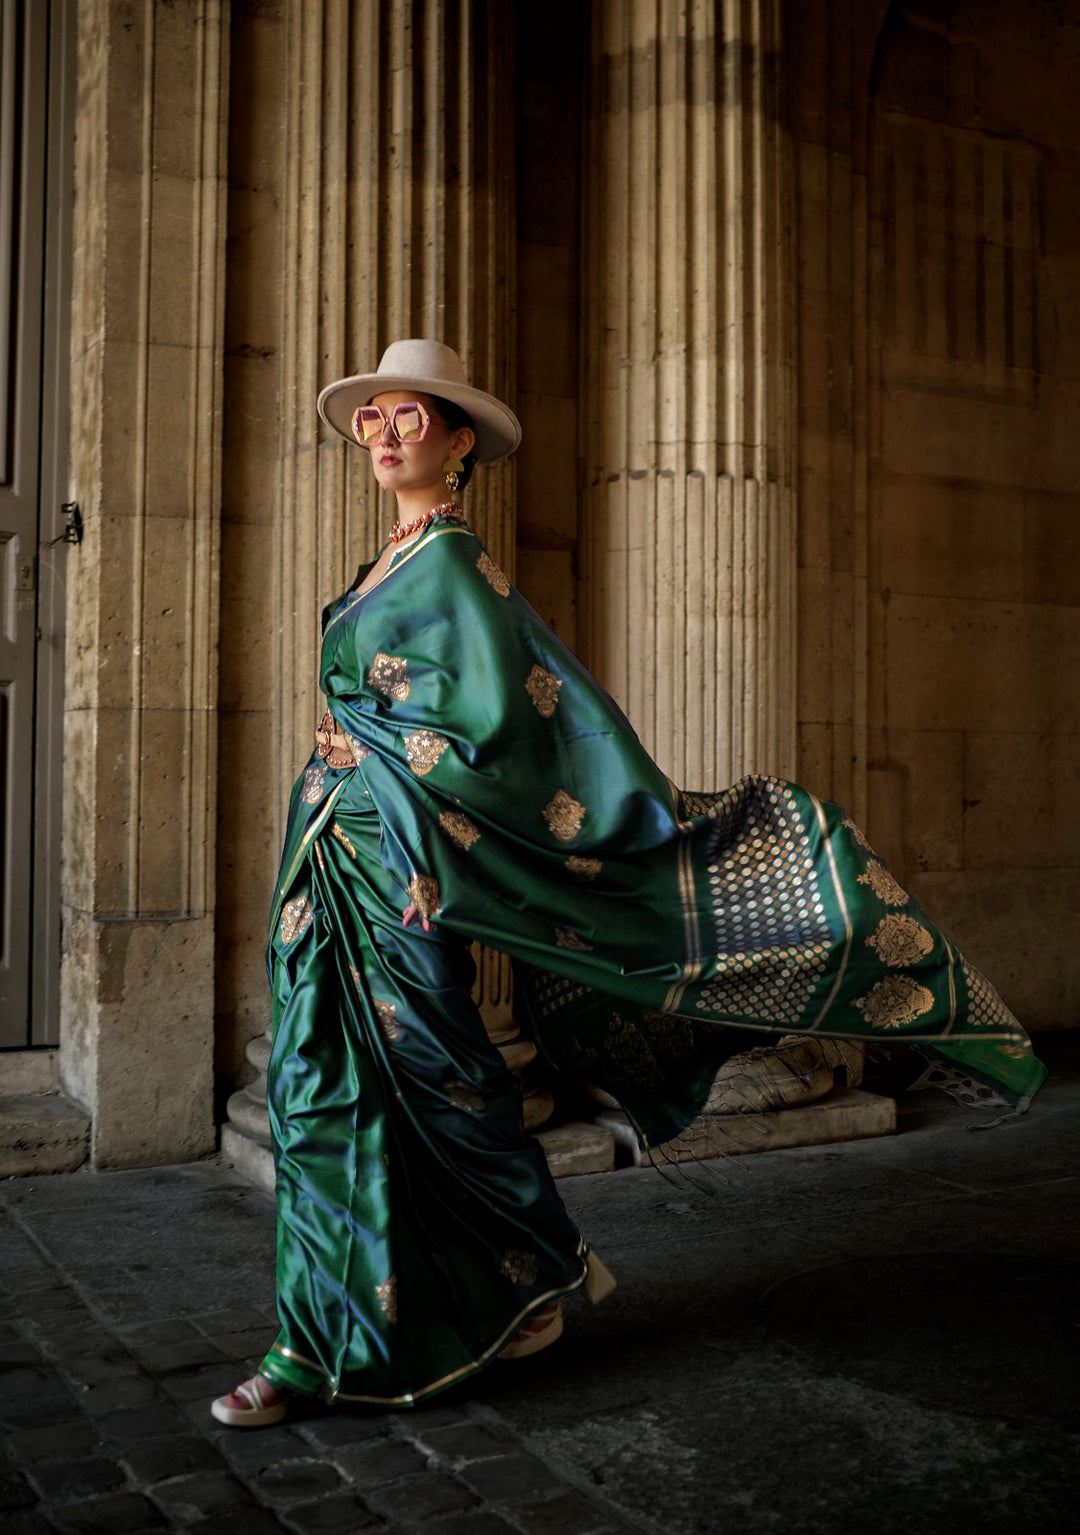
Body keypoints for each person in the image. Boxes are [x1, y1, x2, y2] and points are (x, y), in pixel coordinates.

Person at [212, 340, 1044, 1427]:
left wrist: (420, 835)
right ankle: (357, 1318)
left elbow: (502, 728)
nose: (383, 432)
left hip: (397, 867)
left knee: (433, 1079)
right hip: (327, 857)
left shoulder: (456, 567)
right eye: (371, 417)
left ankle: (464, 1297)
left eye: (407, 415)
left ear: (458, 440)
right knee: (324, 1083)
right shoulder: (382, 561)